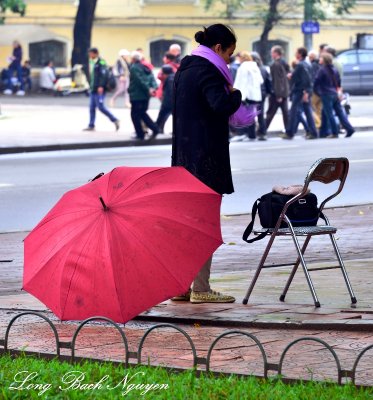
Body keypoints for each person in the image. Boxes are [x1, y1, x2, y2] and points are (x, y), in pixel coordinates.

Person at [172, 23, 241, 304]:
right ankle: (201, 288)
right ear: (217, 48)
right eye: (229, 54)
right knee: (204, 226)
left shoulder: (185, 69)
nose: (229, 60)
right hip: (206, 164)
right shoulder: (209, 72)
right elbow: (220, 105)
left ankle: (181, 286)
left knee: (186, 226)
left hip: (184, 161)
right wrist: (235, 95)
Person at [313, 53, 355, 138]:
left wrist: (318, 92)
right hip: (334, 93)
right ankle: (349, 128)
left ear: (324, 60)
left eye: (321, 58)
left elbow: (316, 82)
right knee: (338, 112)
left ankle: (334, 132)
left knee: (329, 114)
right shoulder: (334, 69)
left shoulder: (322, 70)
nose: (319, 60)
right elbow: (338, 83)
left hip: (326, 94)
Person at [282, 47, 318, 140]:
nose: (295, 54)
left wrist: (305, 92)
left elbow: (306, 79)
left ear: (300, 54)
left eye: (296, 52)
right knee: (306, 111)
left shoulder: (301, 65)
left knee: (294, 112)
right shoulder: (307, 64)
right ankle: (312, 132)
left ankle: (290, 132)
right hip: (303, 90)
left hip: (300, 91)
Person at [83, 47, 120, 132]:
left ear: (95, 53)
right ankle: (91, 125)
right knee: (92, 108)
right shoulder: (92, 62)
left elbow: (104, 75)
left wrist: (101, 86)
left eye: (91, 53)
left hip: (99, 89)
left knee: (101, 107)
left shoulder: (101, 62)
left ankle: (115, 120)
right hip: (93, 89)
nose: (89, 55)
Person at [232, 51, 263, 141]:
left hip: (246, 95)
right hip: (255, 95)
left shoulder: (243, 67)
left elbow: (241, 82)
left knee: (242, 115)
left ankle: (243, 134)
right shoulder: (255, 66)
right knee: (251, 115)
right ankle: (252, 135)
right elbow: (260, 81)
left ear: (242, 58)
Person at [128, 50, 159, 140]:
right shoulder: (146, 66)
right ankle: (154, 128)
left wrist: (148, 89)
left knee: (135, 115)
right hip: (145, 95)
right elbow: (151, 78)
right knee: (142, 113)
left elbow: (139, 80)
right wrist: (153, 88)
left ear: (133, 59)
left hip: (137, 95)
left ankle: (140, 134)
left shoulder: (134, 67)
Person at [265, 45, 290, 132]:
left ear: (276, 53)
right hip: (284, 92)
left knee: (271, 112)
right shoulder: (284, 62)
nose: (271, 54)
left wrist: (278, 94)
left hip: (277, 93)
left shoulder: (275, 65)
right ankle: (288, 130)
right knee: (285, 113)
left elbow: (277, 80)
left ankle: (262, 130)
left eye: (272, 52)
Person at [251, 51, 272, 140]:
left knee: (252, 113)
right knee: (260, 114)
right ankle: (262, 133)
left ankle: (252, 133)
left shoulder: (253, 69)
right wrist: (268, 93)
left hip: (254, 94)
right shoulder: (263, 69)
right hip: (262, 94)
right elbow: (268, 82)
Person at [156, 64, 175, 134]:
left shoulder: (170, 79)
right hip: (171, 102)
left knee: (162, 116)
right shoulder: (172, 77)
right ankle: (158, 129)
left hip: (168, 103)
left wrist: (166, 102)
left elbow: (170, 93)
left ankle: (157, 129)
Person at [308, 50, 322, 130]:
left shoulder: (312, 66)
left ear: (311, 57)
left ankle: (318, 124)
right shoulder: (321, 65)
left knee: (310, 108)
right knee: (319, 109)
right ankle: (318, 127)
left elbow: (312, 79)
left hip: (315, 91)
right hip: (322, 91)